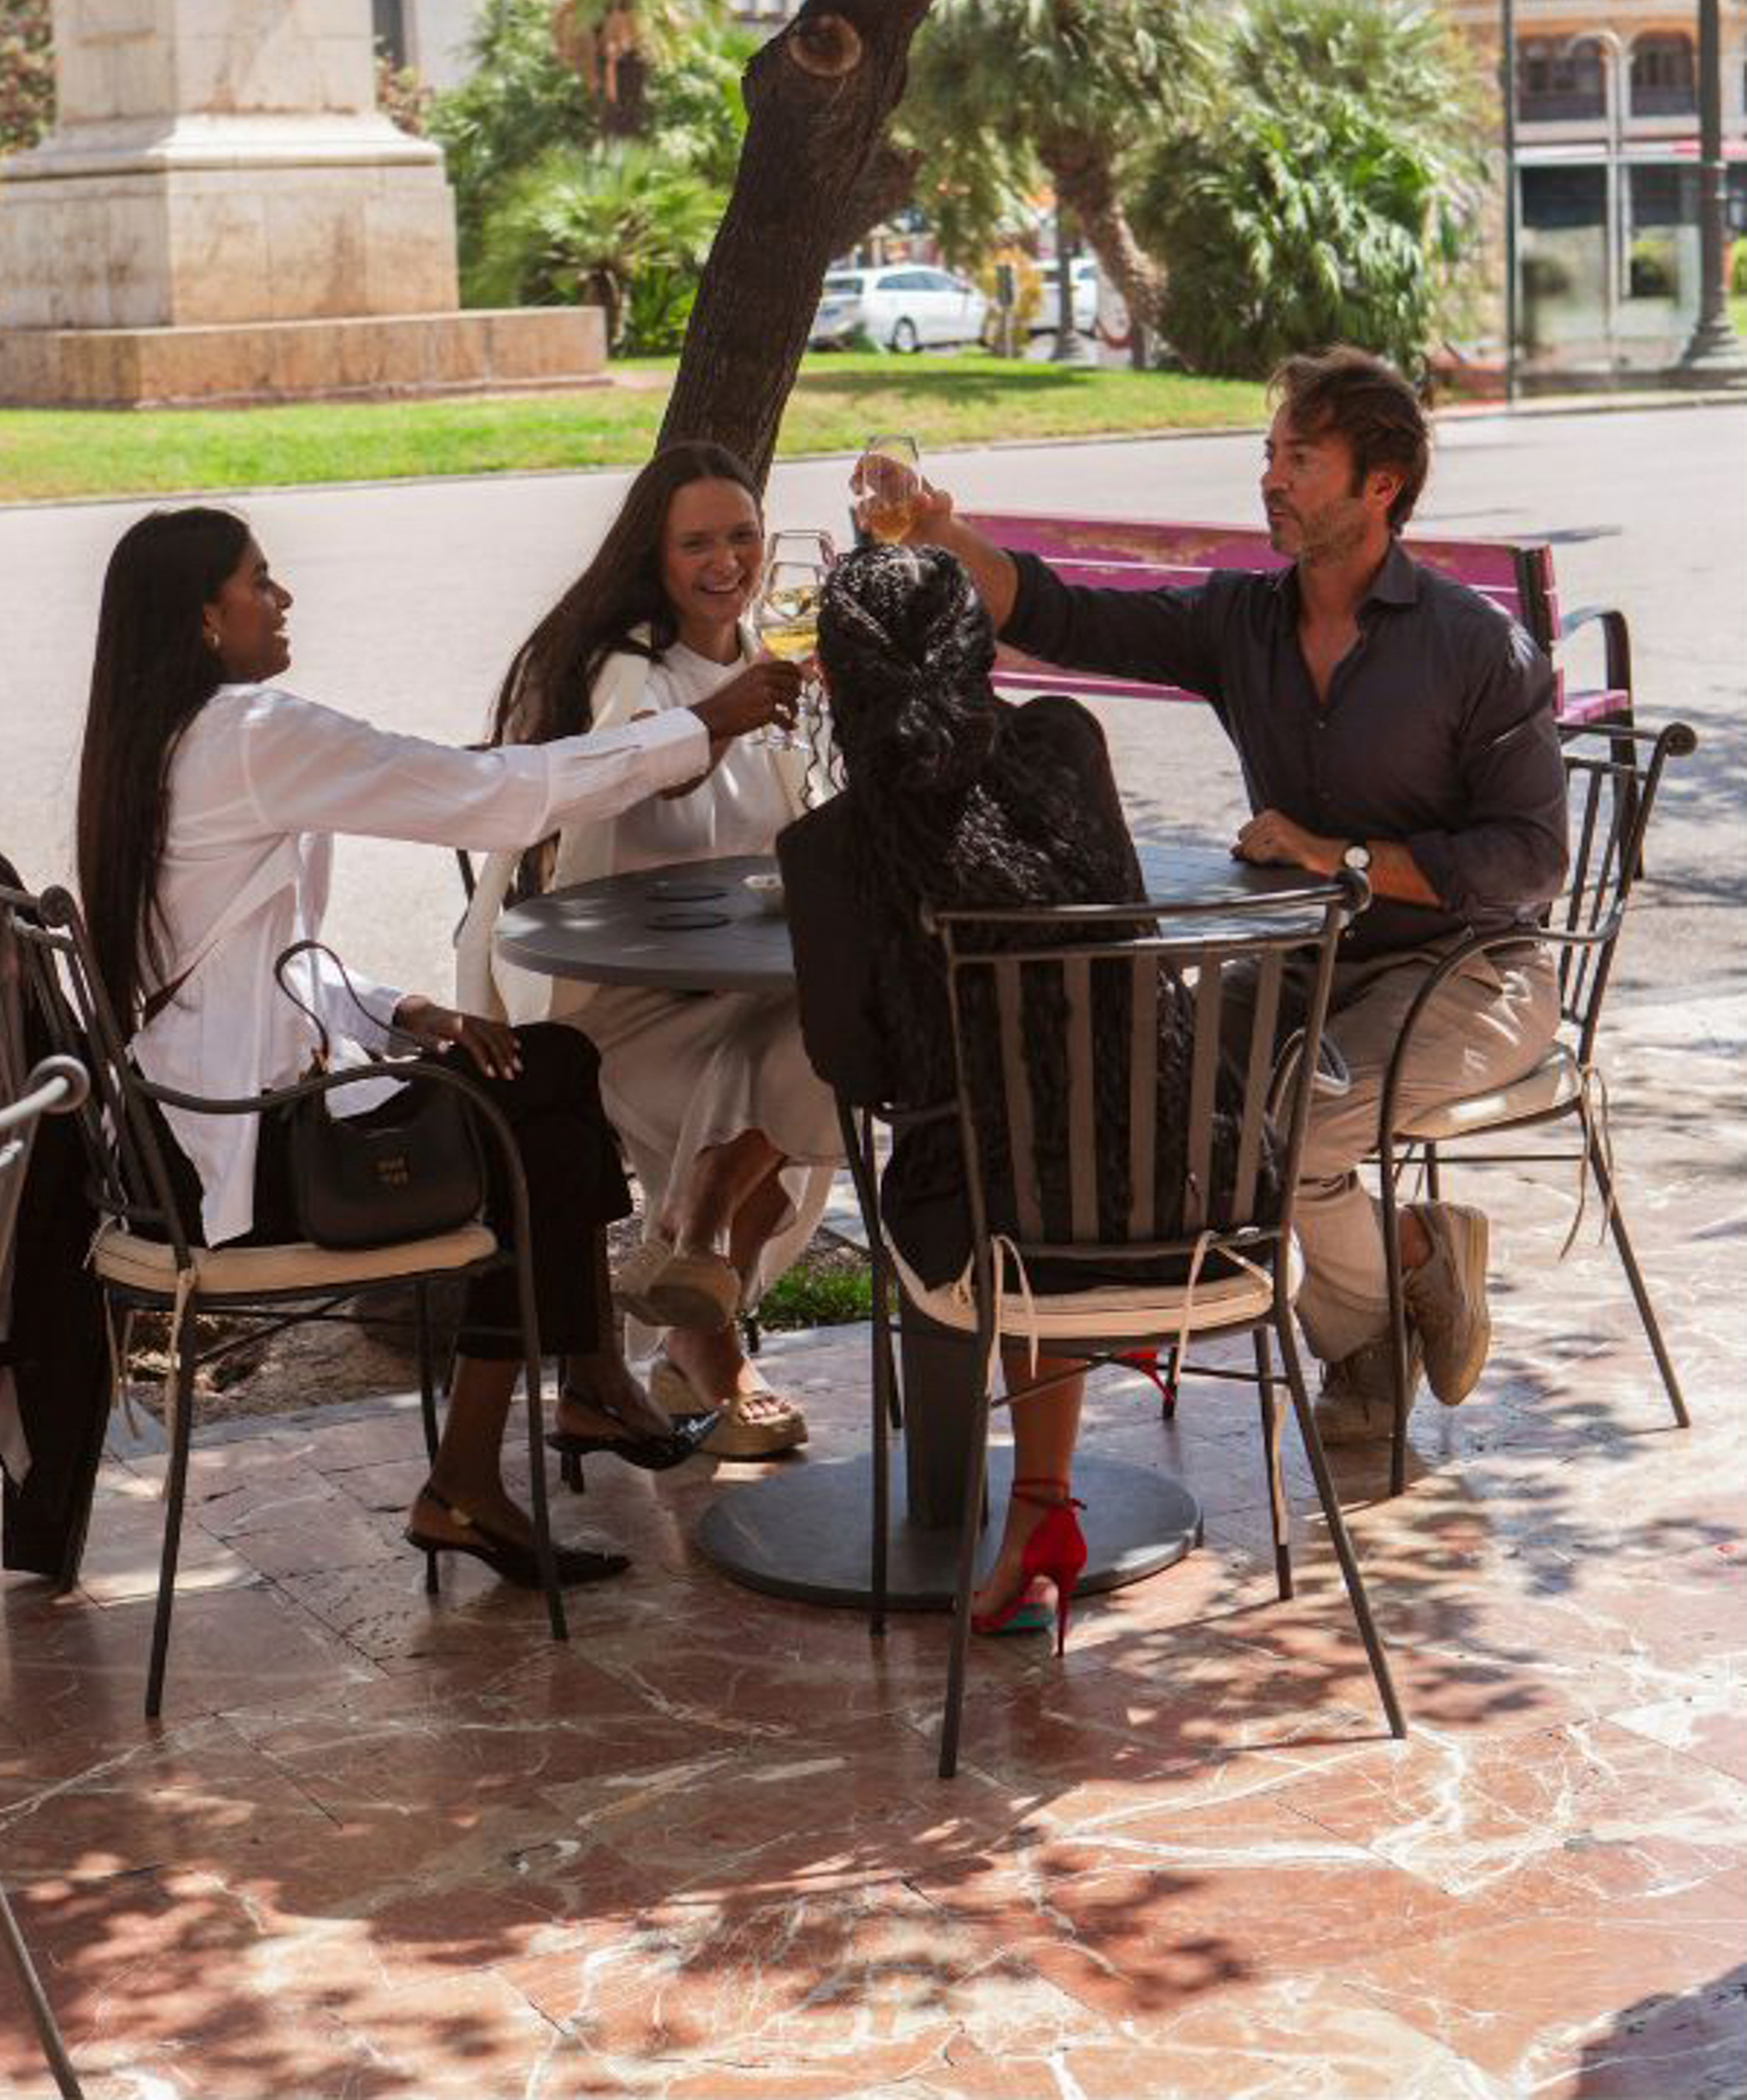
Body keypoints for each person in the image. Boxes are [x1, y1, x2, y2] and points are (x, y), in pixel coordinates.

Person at [75, 504, 800, 1590]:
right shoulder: (249, 735)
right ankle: (532, 1427)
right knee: (546, 1112)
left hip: (186, 1139)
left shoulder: (164, 741)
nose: (281, 600)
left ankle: (553, 1412)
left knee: (544, 1070)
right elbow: (490, 799)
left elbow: (246, 962)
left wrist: (406, 1010)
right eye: (258, 582)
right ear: (200, 620)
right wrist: (705, 724)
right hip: (252, 1164)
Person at [880, 345, 1571, 1444]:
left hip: (1473, 968)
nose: (1270, 478)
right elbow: (1066, 616)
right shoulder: (1241, 622)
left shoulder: (1474, 646)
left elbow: (1532, 859)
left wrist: (1339, 856)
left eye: (1299, 457)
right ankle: (1398, 1284)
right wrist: (942, 535)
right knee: (1164, 1097)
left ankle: (1379, 1314)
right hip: (1313, 960)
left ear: (1378, 484)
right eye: (1268, 454)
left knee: (1292, 1137)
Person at [778, 543, 1248, 1641]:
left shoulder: (828, 849)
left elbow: (856, 1073)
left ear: (833, 685)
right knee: (1053, 1133)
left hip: (994, 1232)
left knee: (999, 1163)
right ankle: (1040, 1509)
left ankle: (1020, 1510)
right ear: (978, 659)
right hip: (1192, 1201)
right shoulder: (1063, 745)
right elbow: (1121, 933)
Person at [458, 443, 837, 1461]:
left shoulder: (770, 651)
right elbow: (641, 774)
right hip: (615, 998)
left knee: (854, 1033)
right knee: (783, 1069)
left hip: (744, 979)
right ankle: (708, 1342)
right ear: (653, 555)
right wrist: (715, 724)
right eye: (698, 541)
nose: (727, 560)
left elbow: (805, 816)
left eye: (744, 535)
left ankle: (700, 1231)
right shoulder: (624, 668)